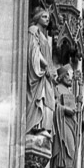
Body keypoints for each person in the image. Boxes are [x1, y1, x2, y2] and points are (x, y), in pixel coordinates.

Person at [25, 8, 55, 136]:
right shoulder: (33, 30)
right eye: (44, 16)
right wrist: (45, 65)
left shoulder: (45, 37)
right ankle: (35, 126)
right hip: (39, 73)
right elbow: (33, 50)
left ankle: (43, 127)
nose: (47, 19)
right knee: (40, 99)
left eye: (48, 17)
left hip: (46, 75)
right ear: (37, 18)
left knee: (49, 101)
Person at [50, 66, 78, 168]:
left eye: (71, 76)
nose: (70, 78)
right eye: (68, 75)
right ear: (61, 76)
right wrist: (65, 109)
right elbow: (53, 104)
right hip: (62, 123)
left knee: (72, 150)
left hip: (71, 123)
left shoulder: (70, 93)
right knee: (65, 148)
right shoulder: (56, 89)